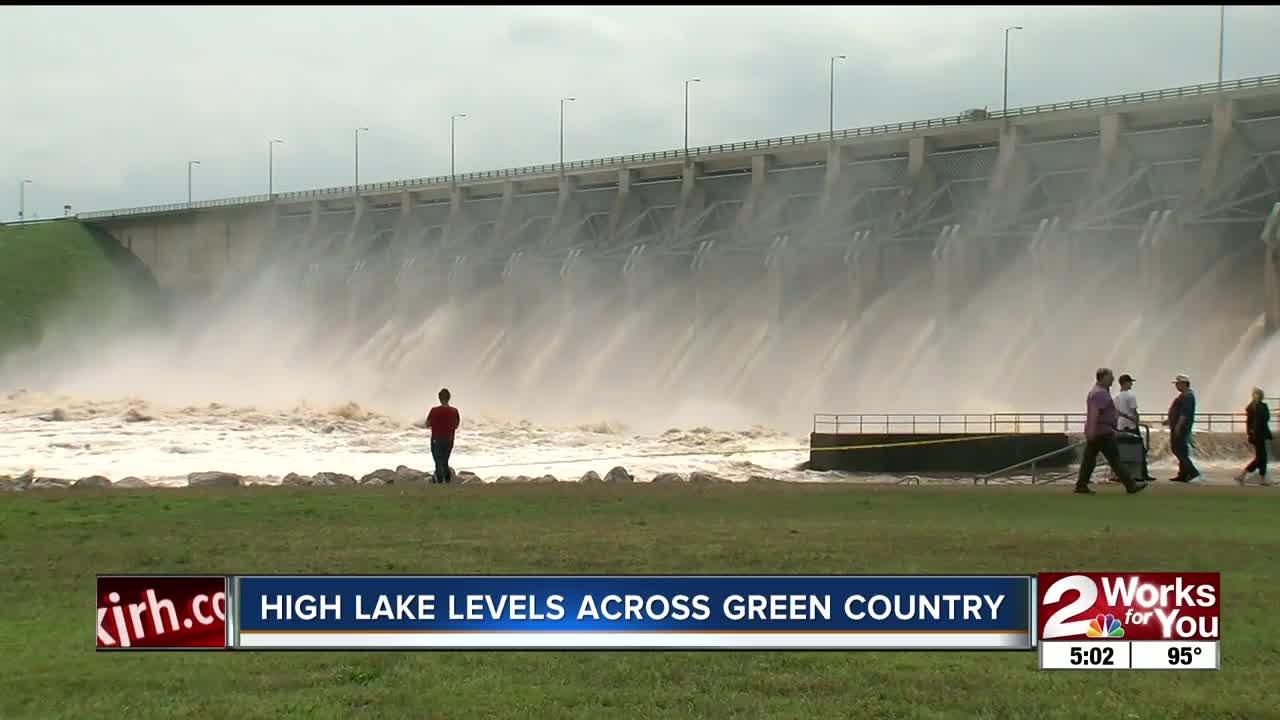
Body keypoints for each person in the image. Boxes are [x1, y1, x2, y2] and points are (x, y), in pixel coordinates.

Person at [1077, 367, 1147, 495]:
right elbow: (1094, 413)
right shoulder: (1100, 393)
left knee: (1089, 460)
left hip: (1100, 430)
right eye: (1110, 377)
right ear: (1103, 377)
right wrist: (1092, 430)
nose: (1113, 379)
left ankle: (1081, 485)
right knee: (1115, 460)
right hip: (1102, 432)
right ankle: (1130, 485)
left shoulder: (1100, 391)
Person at [1112, 373, 1149, 482]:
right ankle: (1142, 474)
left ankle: (1122, 474)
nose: (1131, 384)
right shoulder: (1130, 396)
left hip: (1120, 425)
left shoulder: (1116, 397)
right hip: (1131, 425)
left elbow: (1115, 412)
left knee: (1122, 451)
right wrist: (1137, 421)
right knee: (1140, 450)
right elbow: (1134, 411)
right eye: (1130, 382)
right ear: (1125, 383)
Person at [1165, 374, 1201, 484]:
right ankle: (1183, 474)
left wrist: (1178, 426)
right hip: (1179, 427)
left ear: (1184, 384)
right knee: (1182, 451)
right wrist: (1169, 420)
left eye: (1178, 383)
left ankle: (1193, 472)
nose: (1176, 385)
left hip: (1181, 428)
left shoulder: (1188, 396)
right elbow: (1178, 412)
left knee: (1177, 449)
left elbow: (1184, 414)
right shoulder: (1184, 395)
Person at [1237, 387, 1272, 486]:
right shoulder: (1253, 408)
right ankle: (1255, 477)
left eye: (1258, 394)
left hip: (1259, 435)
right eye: (1256, 394)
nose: (1257, 396)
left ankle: (1245, 476)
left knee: (1261, 458)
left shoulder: (1258, 407)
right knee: (1262, 458)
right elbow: (1250, 422)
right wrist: (1250, 433)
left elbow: (1263, 419)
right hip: (1257, 436)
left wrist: (1250, 432)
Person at [425, 388, 460, 484]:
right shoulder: (454, 411)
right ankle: (447, 481)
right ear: (449, 398)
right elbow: (456, 425)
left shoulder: (434, 411)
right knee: (445, 461)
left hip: (436, 439)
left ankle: (440, 482)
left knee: (438, 461)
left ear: (439, 398)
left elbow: (427, 424)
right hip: (449, 439)